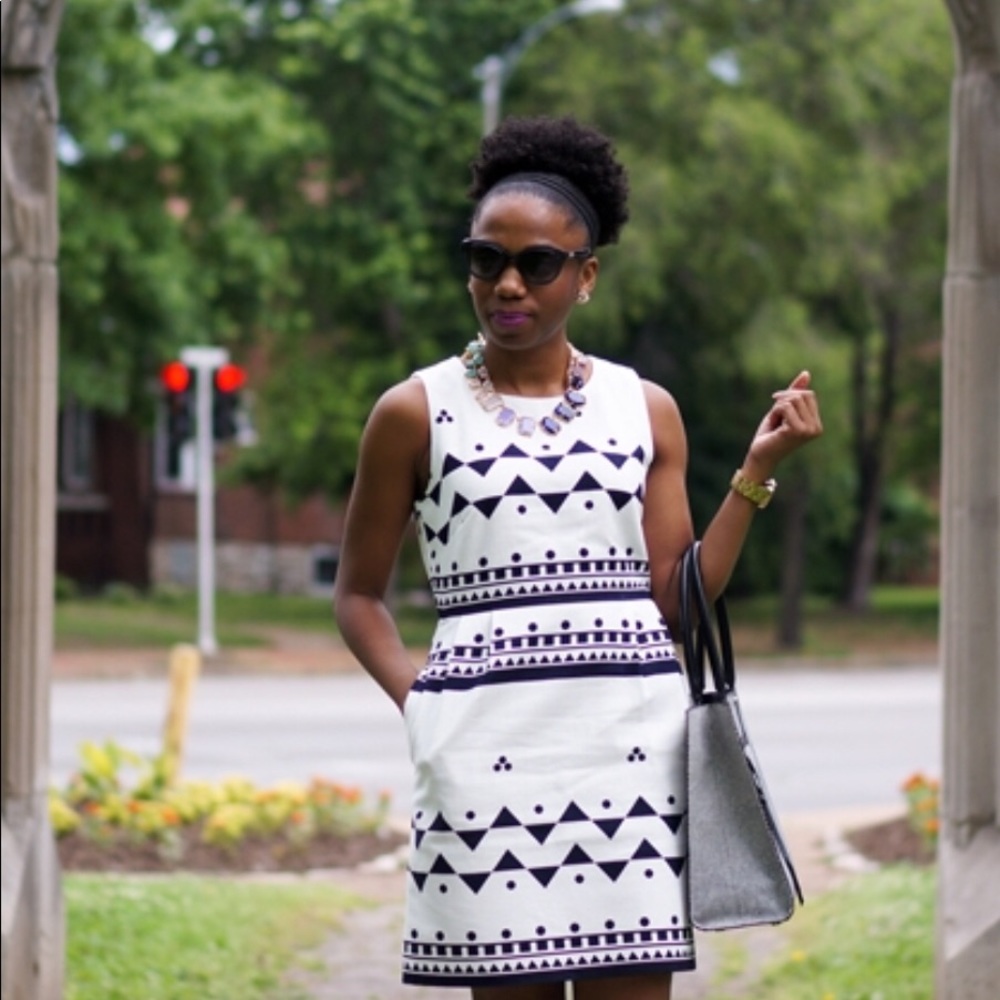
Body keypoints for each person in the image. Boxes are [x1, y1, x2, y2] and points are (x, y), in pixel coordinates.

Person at [333, 115, 822, 1000]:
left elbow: (680, 602)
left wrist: (755, 473)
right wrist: (427, 710)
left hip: (629, 757)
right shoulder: (412, 411)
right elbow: (359, 596)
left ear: (586, 276)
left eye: (538, 264)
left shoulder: (646, 408)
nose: (507, 283)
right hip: (479, 762)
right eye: (486, 260)